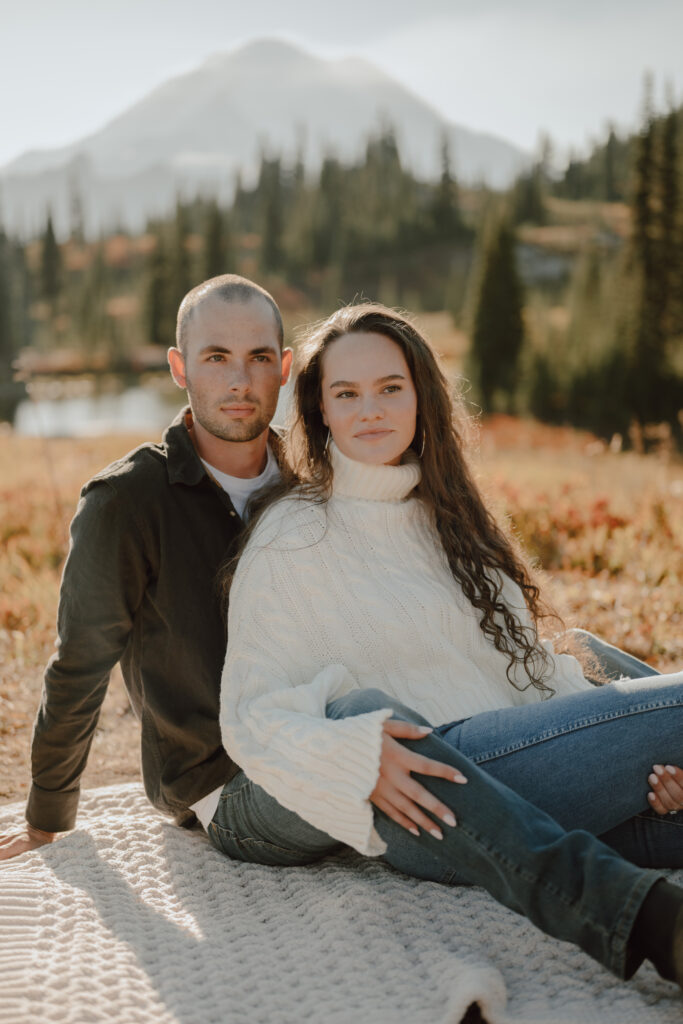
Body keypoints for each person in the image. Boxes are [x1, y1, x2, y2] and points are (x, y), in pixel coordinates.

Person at [216, 302, 683, 987]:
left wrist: (640, 756)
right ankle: (654, 928)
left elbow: (530, 681)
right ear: (319, 412)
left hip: (518, 786)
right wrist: (349, 758)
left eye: (389, 388)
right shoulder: (294, 537)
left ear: (420, 397)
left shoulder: (451, 521)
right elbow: (251, 713)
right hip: (426, 797)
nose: (369, 409)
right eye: (345, 394)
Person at [0, 274, 293, 860]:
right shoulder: (126, 500)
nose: (240, 381)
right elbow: (81, 661)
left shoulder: (309, 482)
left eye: (258, 357)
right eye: (216, 357)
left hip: (322, 739)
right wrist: (45, 820)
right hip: (216, 783)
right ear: (179, 369)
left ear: (284, 367)